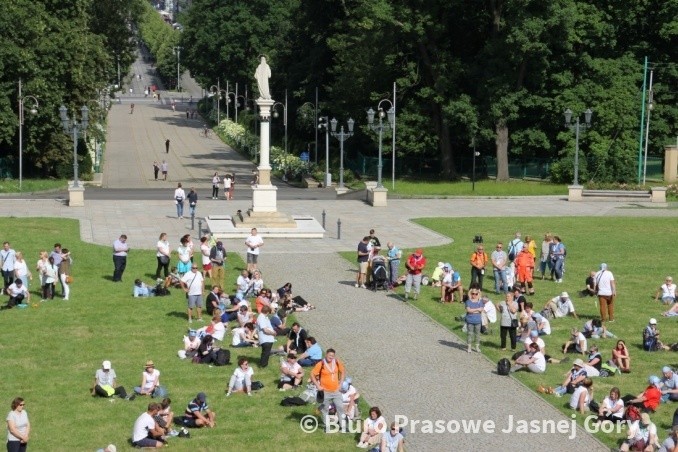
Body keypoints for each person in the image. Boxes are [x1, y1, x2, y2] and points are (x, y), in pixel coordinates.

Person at [312, 348, 346, 430]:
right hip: (325, 392)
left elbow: (343, 371)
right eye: (329, 355)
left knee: (340, 407)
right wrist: (318, 385)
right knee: (325, 409)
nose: (331, 357)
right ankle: (326, 426)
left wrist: (340, 383)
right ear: (326, 354)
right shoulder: (321, 364)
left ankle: (343, 426)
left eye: (332, 356)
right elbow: (312, 374)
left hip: (336, 391)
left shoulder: (337, 362)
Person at [465, 287, 484, 353]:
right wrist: (477, 310)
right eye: (473, 293)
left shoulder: (480, 301)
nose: (474, 295)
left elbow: (481, 310)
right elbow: (468, 310)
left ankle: (477, 347)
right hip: (470, 320)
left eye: (476, 294)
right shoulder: (468, 301)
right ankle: (469, 347)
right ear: (471, 294)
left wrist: (472, 310)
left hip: (478, 321)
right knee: (470, 334)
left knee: (477, 334)